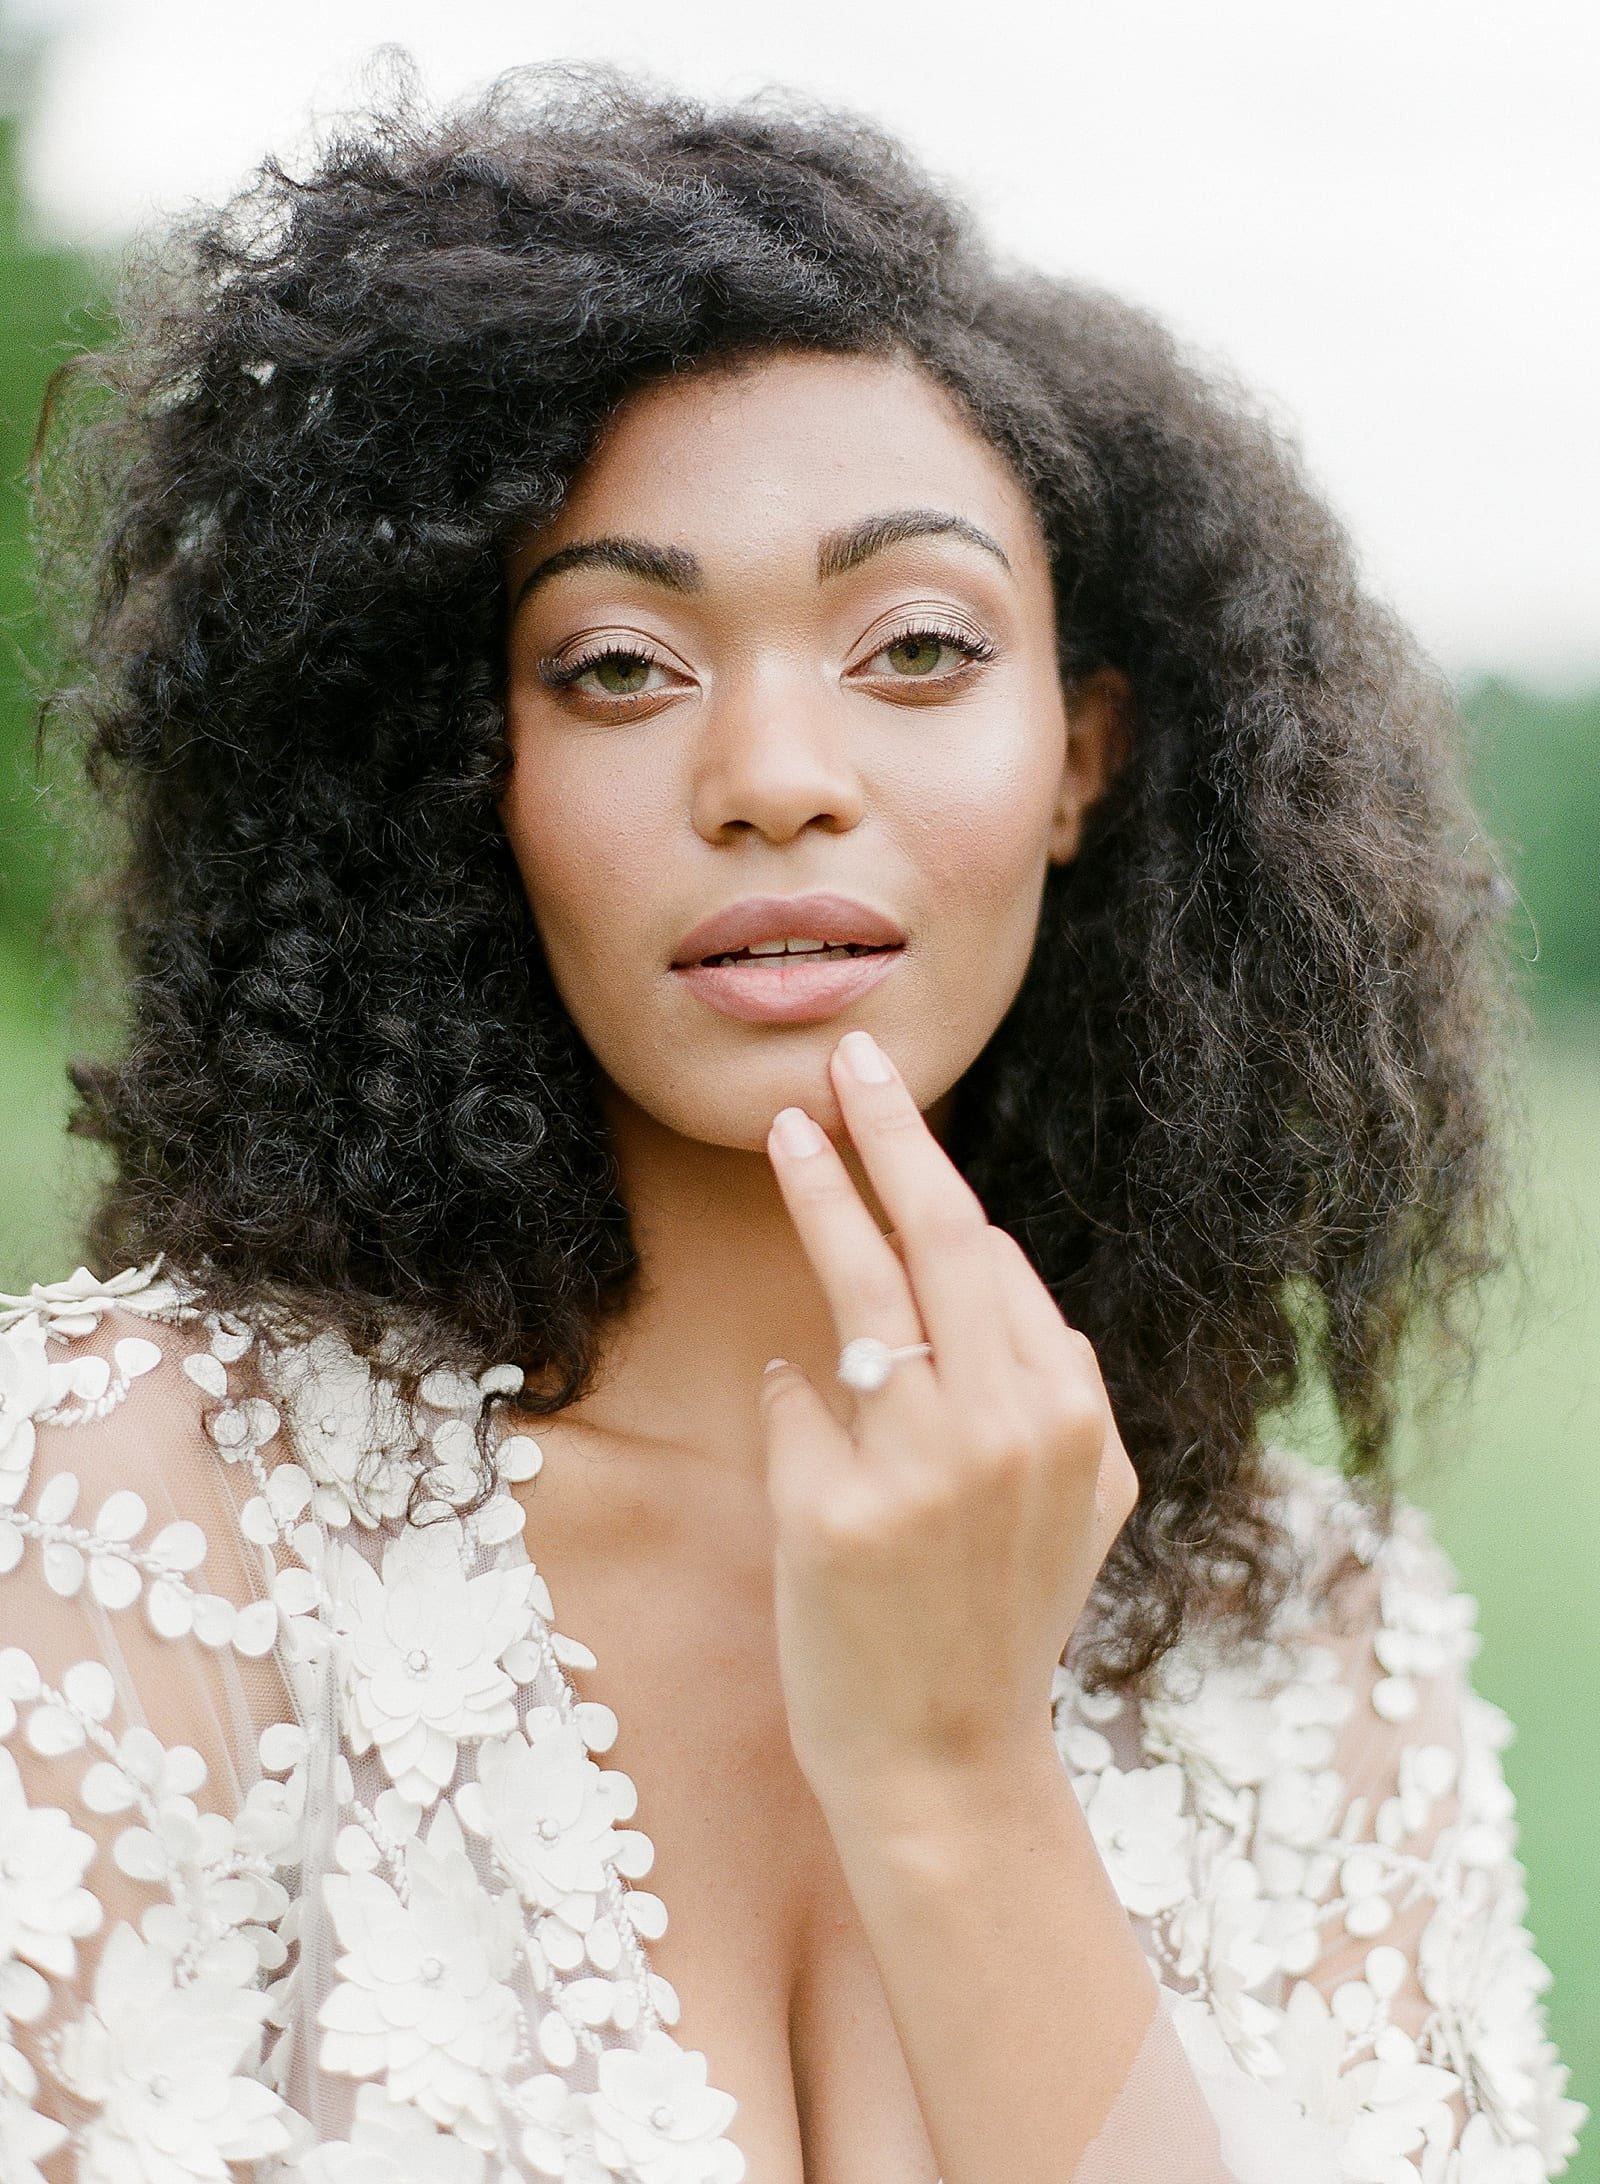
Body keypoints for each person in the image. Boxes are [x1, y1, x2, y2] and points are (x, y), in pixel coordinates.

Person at [0, 70, 1586, 2184]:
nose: (769, 772)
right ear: (464, 773)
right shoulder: (123, 1507)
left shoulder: (1313, 1635)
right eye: (618, 666)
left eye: (913, 648)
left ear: (1078, 756)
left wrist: (953, 1784)